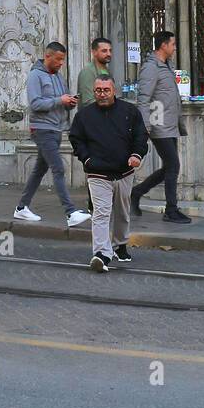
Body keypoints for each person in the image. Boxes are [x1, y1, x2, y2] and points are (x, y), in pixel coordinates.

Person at [69, 74, 147, 272]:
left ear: (114, 91)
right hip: (98, 174)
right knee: (101, 214)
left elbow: (140, 135)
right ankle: (102, 254)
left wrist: (137, 155)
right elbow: (76, 139)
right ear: (93, 92)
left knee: (122, 212)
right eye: (98, 90)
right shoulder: (84, 116)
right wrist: (86, 159)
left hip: (124, 172)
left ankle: (120, 244)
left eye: (106, 90)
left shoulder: (129, 111)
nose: (102, 94)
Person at [15, 42, 91, 227]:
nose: (61, 63)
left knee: (39, 170)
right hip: (42, 129)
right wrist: (59, 100)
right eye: (58, 59)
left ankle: (21, 208)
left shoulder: (59, 77)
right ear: (47, 56)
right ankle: (70, 212)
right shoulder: (35, 75)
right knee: (58, 168)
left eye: (63, 60)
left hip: (56, 129)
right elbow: (35, 104)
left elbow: (60, 101)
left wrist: (69, 102)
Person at [133, 29, 192, 224]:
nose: (175, 48)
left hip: (169, 124)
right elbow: (143, 98)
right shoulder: (151, 67)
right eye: (173, 44)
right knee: (173, 165)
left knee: (169, 166)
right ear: (163, 45)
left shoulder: (165, 66)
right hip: (159, 125)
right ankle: (171, 210)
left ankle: (137, 193)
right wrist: (145, 126)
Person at [76, 36, 113, 108]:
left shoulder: (107, 71)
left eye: (110, 50)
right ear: (94, 52)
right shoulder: (88, 72)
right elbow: (88, 101)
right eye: (104, 51)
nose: (109, 54)